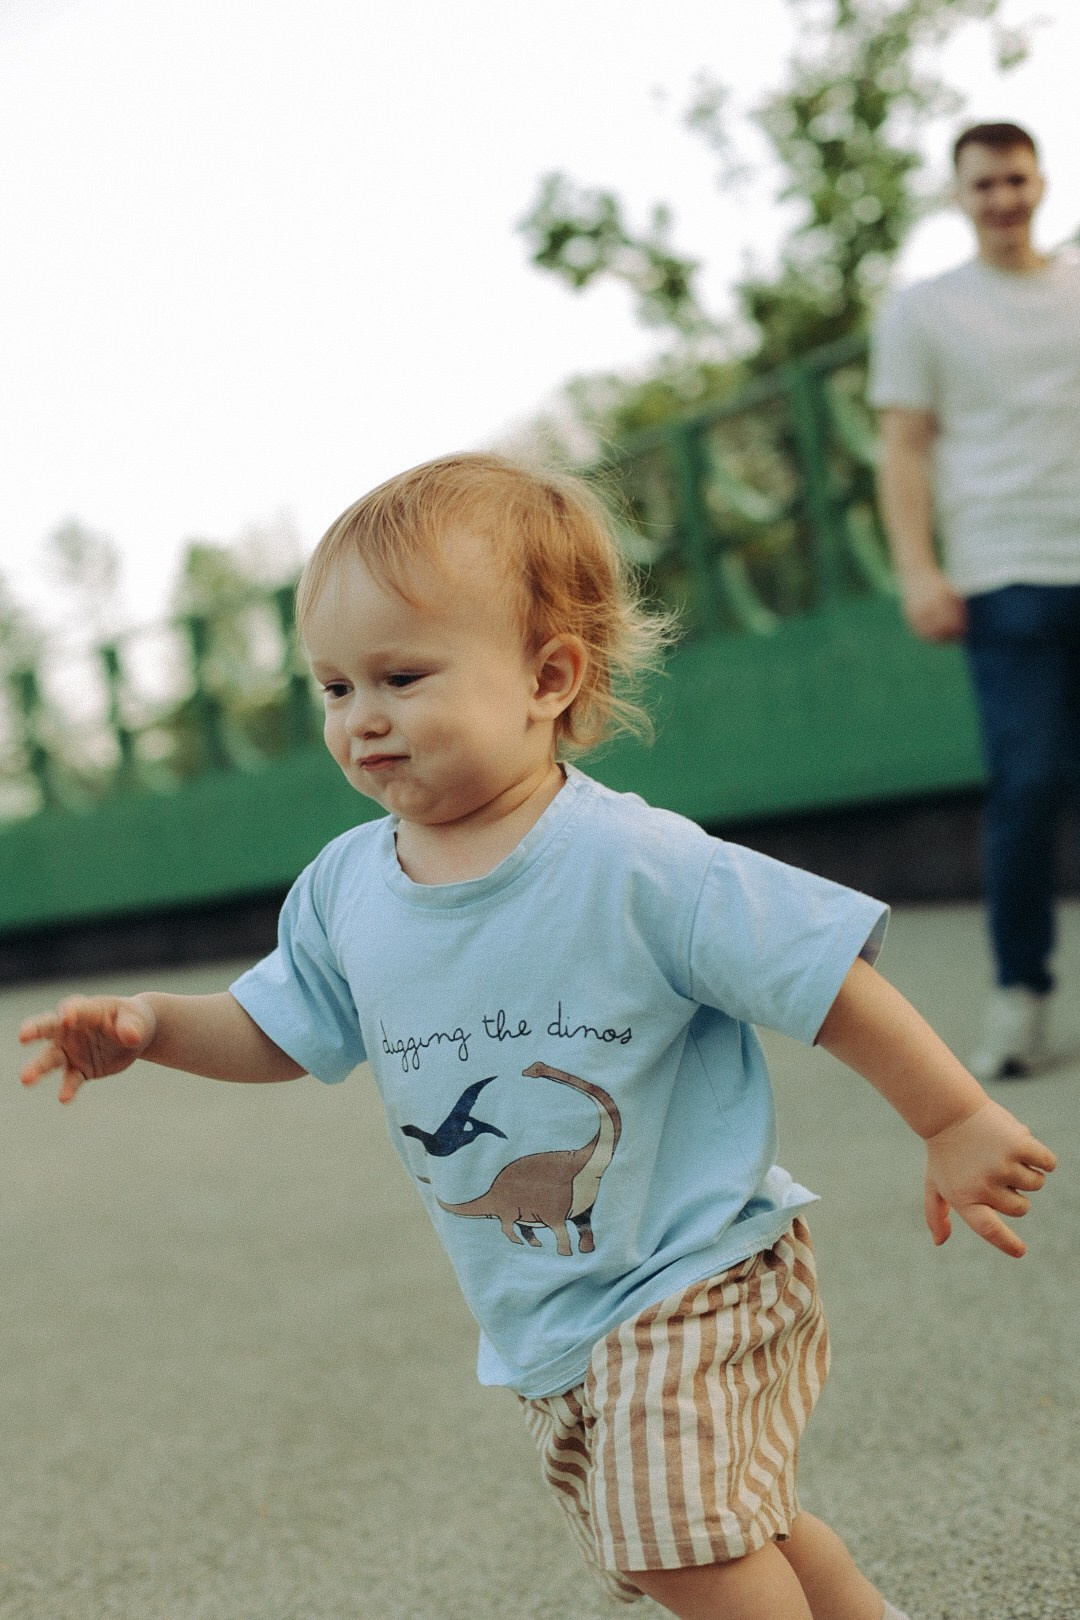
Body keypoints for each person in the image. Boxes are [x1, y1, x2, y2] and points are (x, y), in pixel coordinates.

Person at [19, 455, 1055, 1620]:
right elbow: (275, 1027)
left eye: (401, 676)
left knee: (682, 1547)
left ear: (547, 678)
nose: (362, 718)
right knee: (730, 1525)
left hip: (693, 1271)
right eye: (334, 687)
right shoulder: (346, 889)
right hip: (554, 1313)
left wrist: (954, 1119)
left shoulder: (635, 863)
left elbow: (821, 976)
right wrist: (153, 1027)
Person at [870, 121, 1080, 1082]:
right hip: (1004, 574)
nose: (1003, 198)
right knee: (1028, 787)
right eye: (984, 183)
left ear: (1041, 182)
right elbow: (903, 446)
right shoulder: (924, 310)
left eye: (1016, 180)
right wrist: (919, 569)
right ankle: (1020, 994)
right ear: (960, 195)